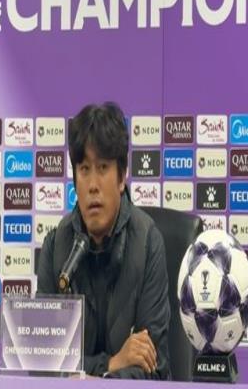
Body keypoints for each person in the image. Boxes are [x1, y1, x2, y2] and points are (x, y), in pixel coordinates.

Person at [37, 102, 170, 379]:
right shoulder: (56, 246)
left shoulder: (148, 242)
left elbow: (152, 367)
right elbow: (43, 360)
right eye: (84, 169)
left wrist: (92, 380)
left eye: (103, 167)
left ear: (122, 177)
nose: (93, 185)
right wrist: (110, 365)